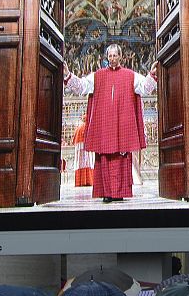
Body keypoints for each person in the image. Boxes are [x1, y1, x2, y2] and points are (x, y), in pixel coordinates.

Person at [64, 44, 157, 202]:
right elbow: (81, 87)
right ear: (107, 57)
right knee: (104, 159)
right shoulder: (97, 76)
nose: (113, 58)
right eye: (110, 56)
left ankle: (119, 193)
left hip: (122, 126)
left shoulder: (130, 75)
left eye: (115, 55)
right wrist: (67, 75)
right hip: (104, 126)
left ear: (121, 57)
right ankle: (106, 193)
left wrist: (152, 75)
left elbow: (144, 88)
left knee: (121, 160)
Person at [72, 112, 95, 186]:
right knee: (89, 161)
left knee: (80, 162)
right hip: (87, 146)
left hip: (79, 148)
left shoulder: (78, 128)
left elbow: (74, 140)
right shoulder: (89, 127)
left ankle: (80, 181)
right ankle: (89, 180)